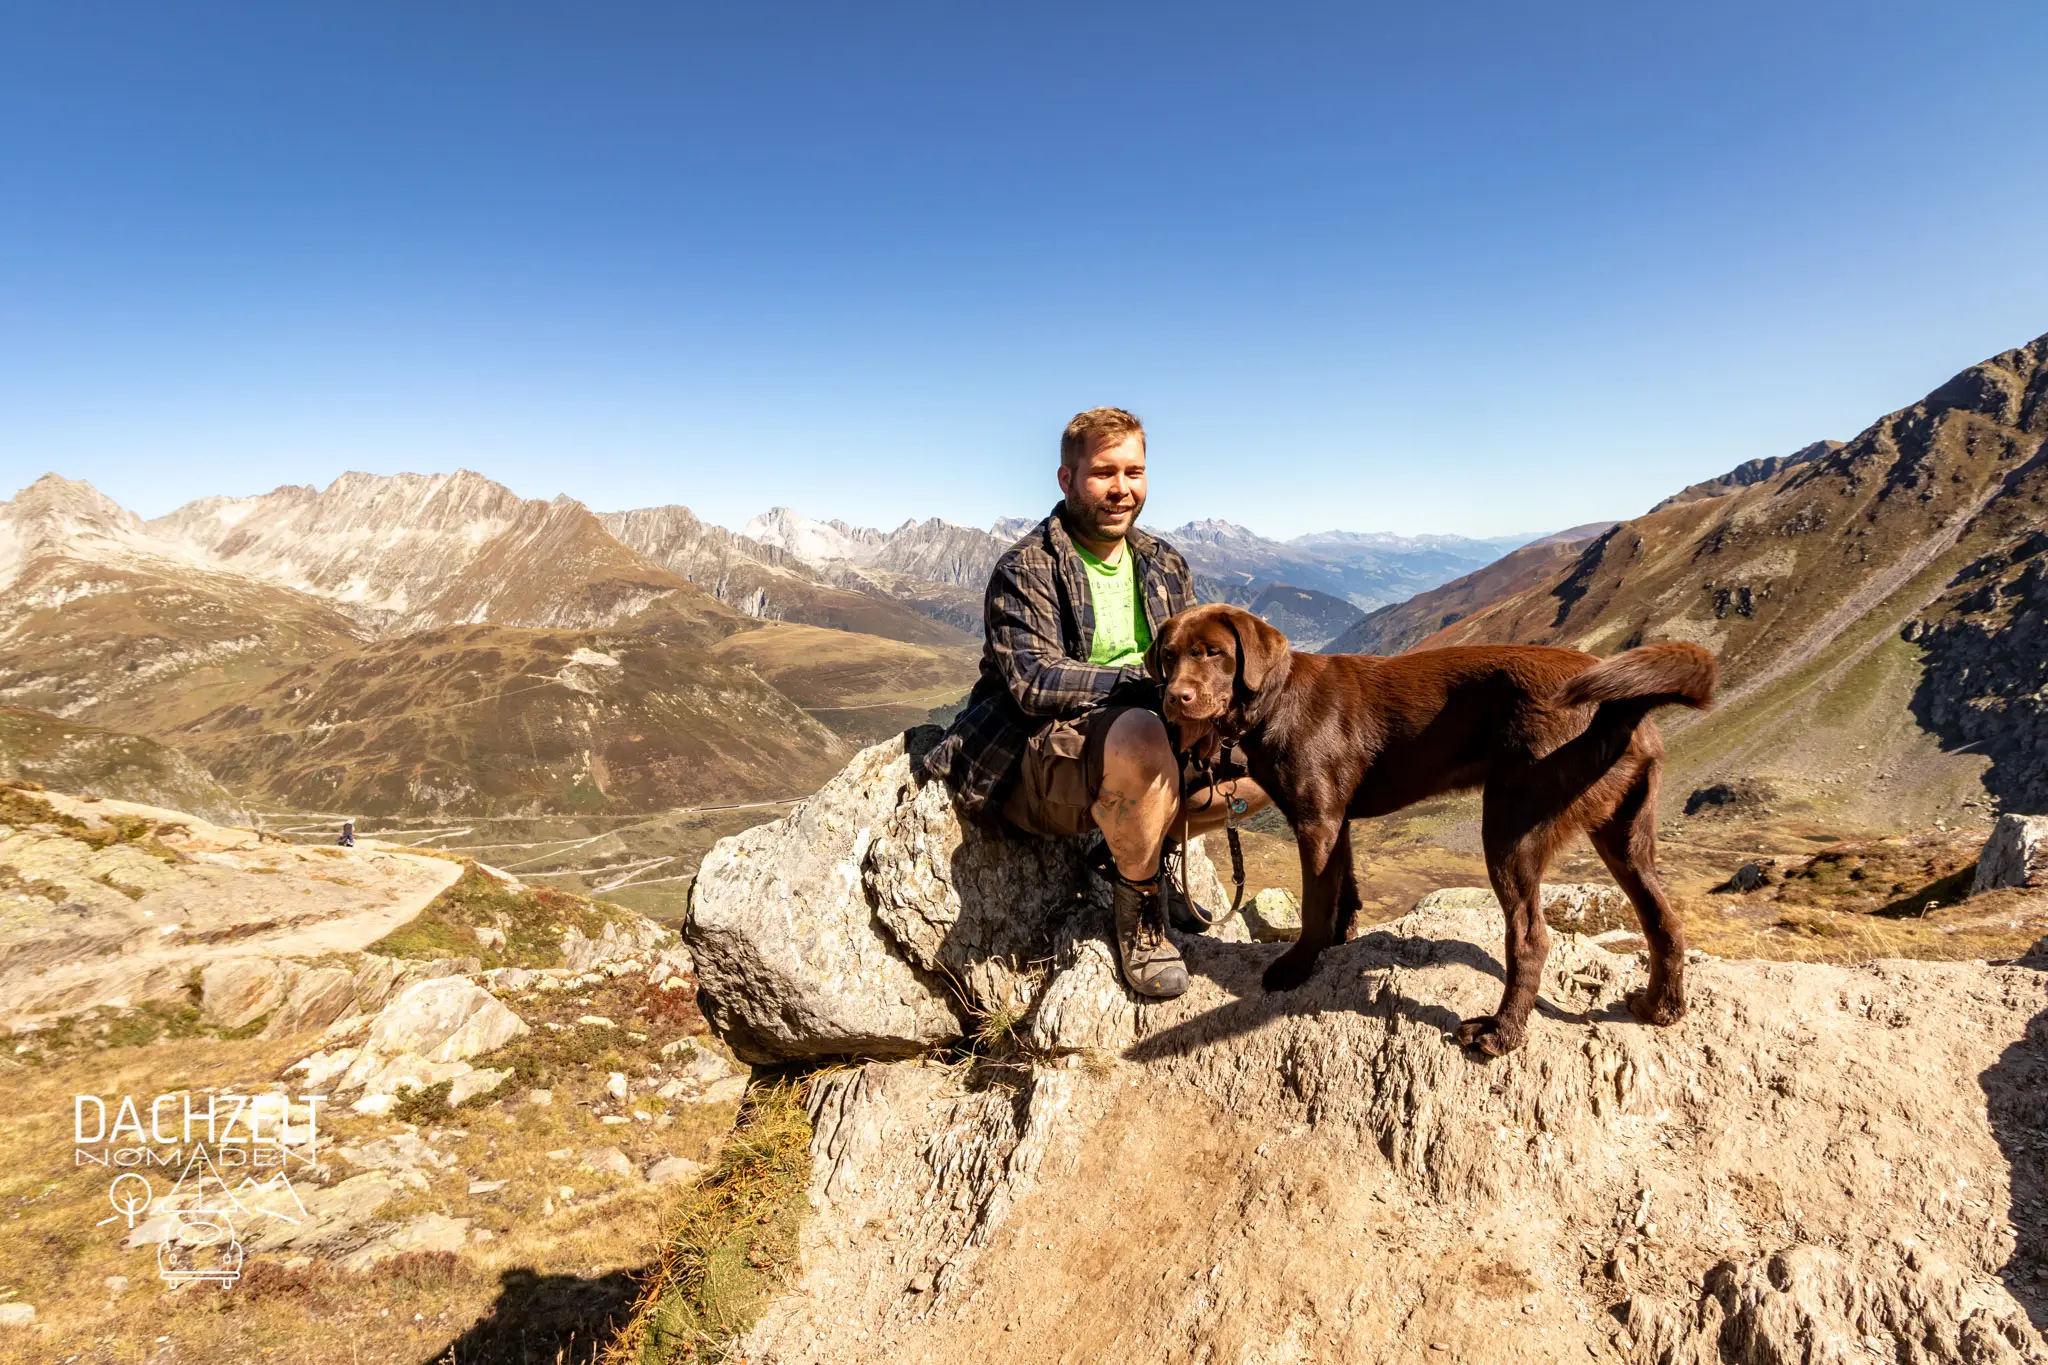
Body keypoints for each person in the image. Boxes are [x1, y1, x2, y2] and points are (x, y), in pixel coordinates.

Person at [921, 407, 1270, 998]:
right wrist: (1148, 688)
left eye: (1134, 472)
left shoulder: (1163, 563)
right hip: (1043, 759)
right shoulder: (1025, 568)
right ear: (1066, 479)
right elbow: (1032, 680)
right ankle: (1140, 911)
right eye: (1103, 472)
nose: (1121, 489)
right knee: (1139, 732)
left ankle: (1137, 847)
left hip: (1150, 744)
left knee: (1272, 765)